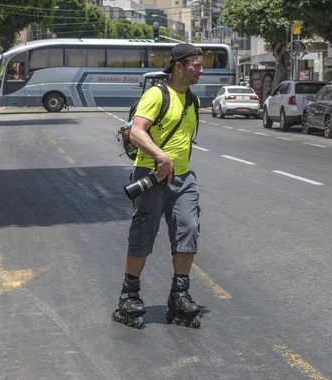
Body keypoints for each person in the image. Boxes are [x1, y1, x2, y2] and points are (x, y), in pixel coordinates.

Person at [112, 43, 204, 328]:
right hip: (151, 174)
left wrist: (180, 168)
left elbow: (187, 141)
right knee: (143, 233)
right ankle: (129, 296)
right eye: (196, 65)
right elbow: (136, 131)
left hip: (182, 178)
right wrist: (160, 156)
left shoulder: (193, 101)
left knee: (188, 228)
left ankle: (179, 296)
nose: (201, 70)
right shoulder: (156, 94)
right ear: (179, 66)